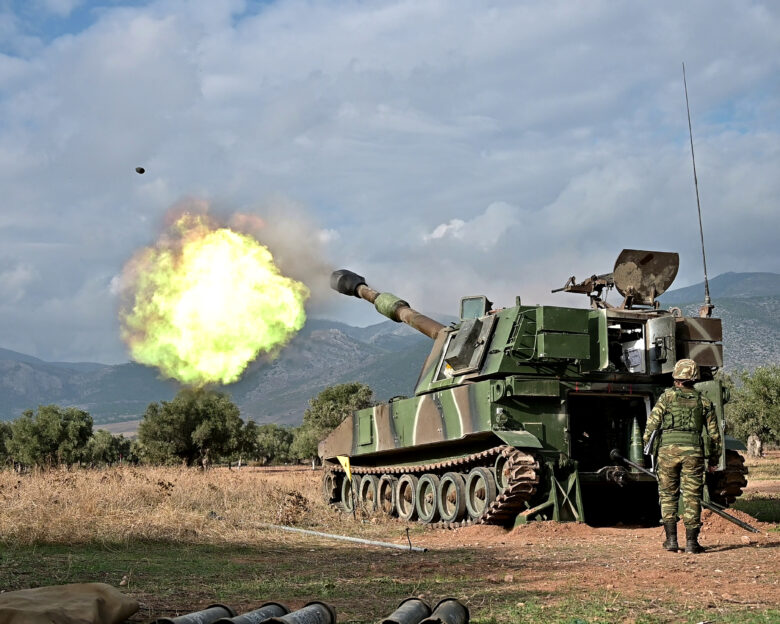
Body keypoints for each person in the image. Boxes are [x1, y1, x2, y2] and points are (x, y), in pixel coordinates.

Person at [643, 358, 721, 553]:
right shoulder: (704, 402)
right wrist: (713, 460)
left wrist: (653, 450)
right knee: (692, 496)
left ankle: (671, 541)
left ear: (676, 377)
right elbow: (714, 436)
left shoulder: (666, 397)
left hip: (667, 452)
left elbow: (650, 427)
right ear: (694, 378)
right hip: (693, 453)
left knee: (668, 495)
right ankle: (692, 544)